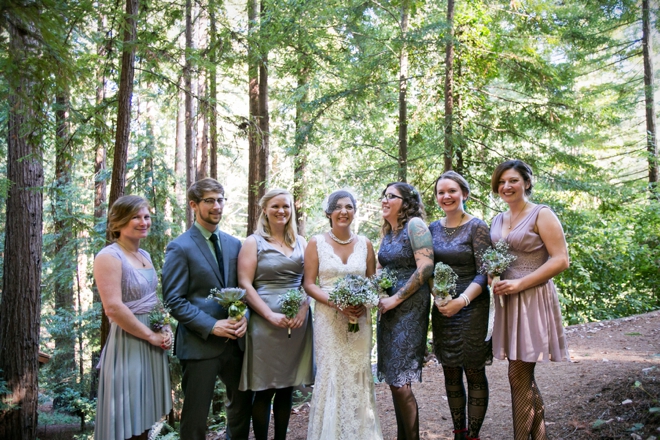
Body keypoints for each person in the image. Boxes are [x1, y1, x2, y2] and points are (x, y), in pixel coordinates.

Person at [162, 178, 252, 440]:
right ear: (193, 205)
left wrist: (244, 316)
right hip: (199, 344)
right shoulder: (180, 247)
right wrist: (212, 326)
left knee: (240, 410)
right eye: (209, 200)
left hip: (237, 343)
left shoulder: (236, 244)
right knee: (195, 418)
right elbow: (174, 300)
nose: (217, 206)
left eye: (220, 200)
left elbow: (244, 290)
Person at [489, 160, 570, 440]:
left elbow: (561, 260)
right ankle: (540, 437)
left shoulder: (541, 214)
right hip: (508, 303)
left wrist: (520, 283)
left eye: (512, 180)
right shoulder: (497, 220)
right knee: (523, 376)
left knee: (518, 374)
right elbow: (496, 261)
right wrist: (493, 276)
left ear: (526, 182)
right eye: (501, 182)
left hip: (533, 298)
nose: (506, 186)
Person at [303, 189, 383, 440]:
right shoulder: (316, 243)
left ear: (354, 212)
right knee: (332, 372)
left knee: (358, 372)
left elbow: (372, 283)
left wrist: (364, 303)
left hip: (360, 320)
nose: (343, 212)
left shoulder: (366, 244)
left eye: (349, 207)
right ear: (329, 213)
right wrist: (336, 303)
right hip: (328, 319)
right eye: (338, 207)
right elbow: (309, 284)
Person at [93, 195, 172, 440]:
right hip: (129, 343)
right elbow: (113, 308)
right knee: (128, 417)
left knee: (145, 416)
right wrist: (150, 335)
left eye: (146, 216)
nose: (143, 222)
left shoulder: (144, 255)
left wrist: (166, 328)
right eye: (135, 217)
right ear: (118, 223)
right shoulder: (109, 256)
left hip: (152, 343)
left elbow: (153, 299)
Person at [238, 188, 314, 440]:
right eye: (275, 206)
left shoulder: (302, 242)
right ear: (264, 210)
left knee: (287, 388)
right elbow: (245, 284)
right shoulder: (253, 242)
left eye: (286, 206)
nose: (281, 211)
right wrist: (269, 315)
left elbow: (310, 281)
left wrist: (304, 308)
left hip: (297, 325)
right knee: (264, 389)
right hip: (264, 324)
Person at [428, 171, 492, 440]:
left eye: (452, 191)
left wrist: (461, 301)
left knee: (474, 370)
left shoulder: (477, 227)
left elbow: (485, 271)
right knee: (451, 370)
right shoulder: (431, 228)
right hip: (443, 309)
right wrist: (440, 298)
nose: (446, 196)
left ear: (464, 193)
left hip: (472, 305)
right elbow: (426, 268)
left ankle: (474, 435)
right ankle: (459, 432)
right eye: (441, 192)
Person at [377, 182, 434, 440]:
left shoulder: (415, 226)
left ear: (406, 202)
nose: (385, 200)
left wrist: (394, 300)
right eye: (384, 196)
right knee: (394, 380)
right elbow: (381, 268)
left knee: (401, 383)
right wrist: (378, 293)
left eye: (392, 196)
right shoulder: (388, 232)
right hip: (388, 310)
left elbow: (425, 268)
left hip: (410, 308)